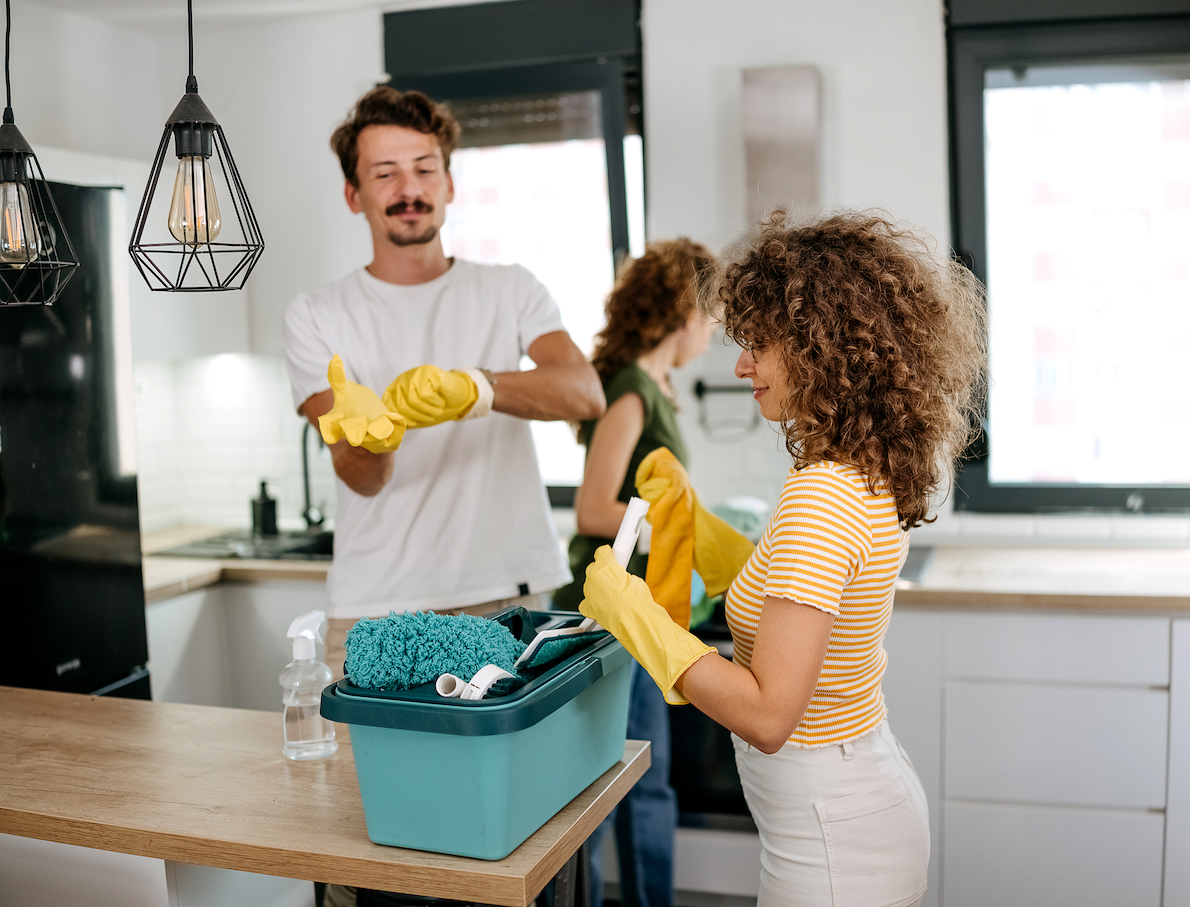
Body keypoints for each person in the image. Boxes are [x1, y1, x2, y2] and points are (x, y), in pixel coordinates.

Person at [580, 210, 986, 907]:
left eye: (759, 345)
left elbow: (769, 716)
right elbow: (796, 586)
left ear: (821, 346)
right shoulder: (859, 467)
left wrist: (635, 616)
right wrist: (696, 526)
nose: (741, 365)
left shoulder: (823, 496)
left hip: (832, 842)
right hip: (856, 805)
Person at [282, 87, 605, 907]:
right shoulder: (317, 315)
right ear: (355, 195)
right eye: (385, 172)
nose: (408, 187)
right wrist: (370, 434)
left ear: (451, 182)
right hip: (377, 615)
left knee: (522, 845)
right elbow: (362, 479)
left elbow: (583, 391)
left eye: (424, 167)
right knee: (377, 852)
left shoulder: (509, 291)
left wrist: (478, 386)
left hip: (508, 603)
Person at [552, 239, 716, 907]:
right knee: (634, 781)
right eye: (711, 314)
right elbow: (594, 507)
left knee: (627, 779)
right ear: (682, 313)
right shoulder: (630, 391)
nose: (713, 329)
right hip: (615, 614)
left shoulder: (656, 389)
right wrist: (672, 527)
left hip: (637, 607)